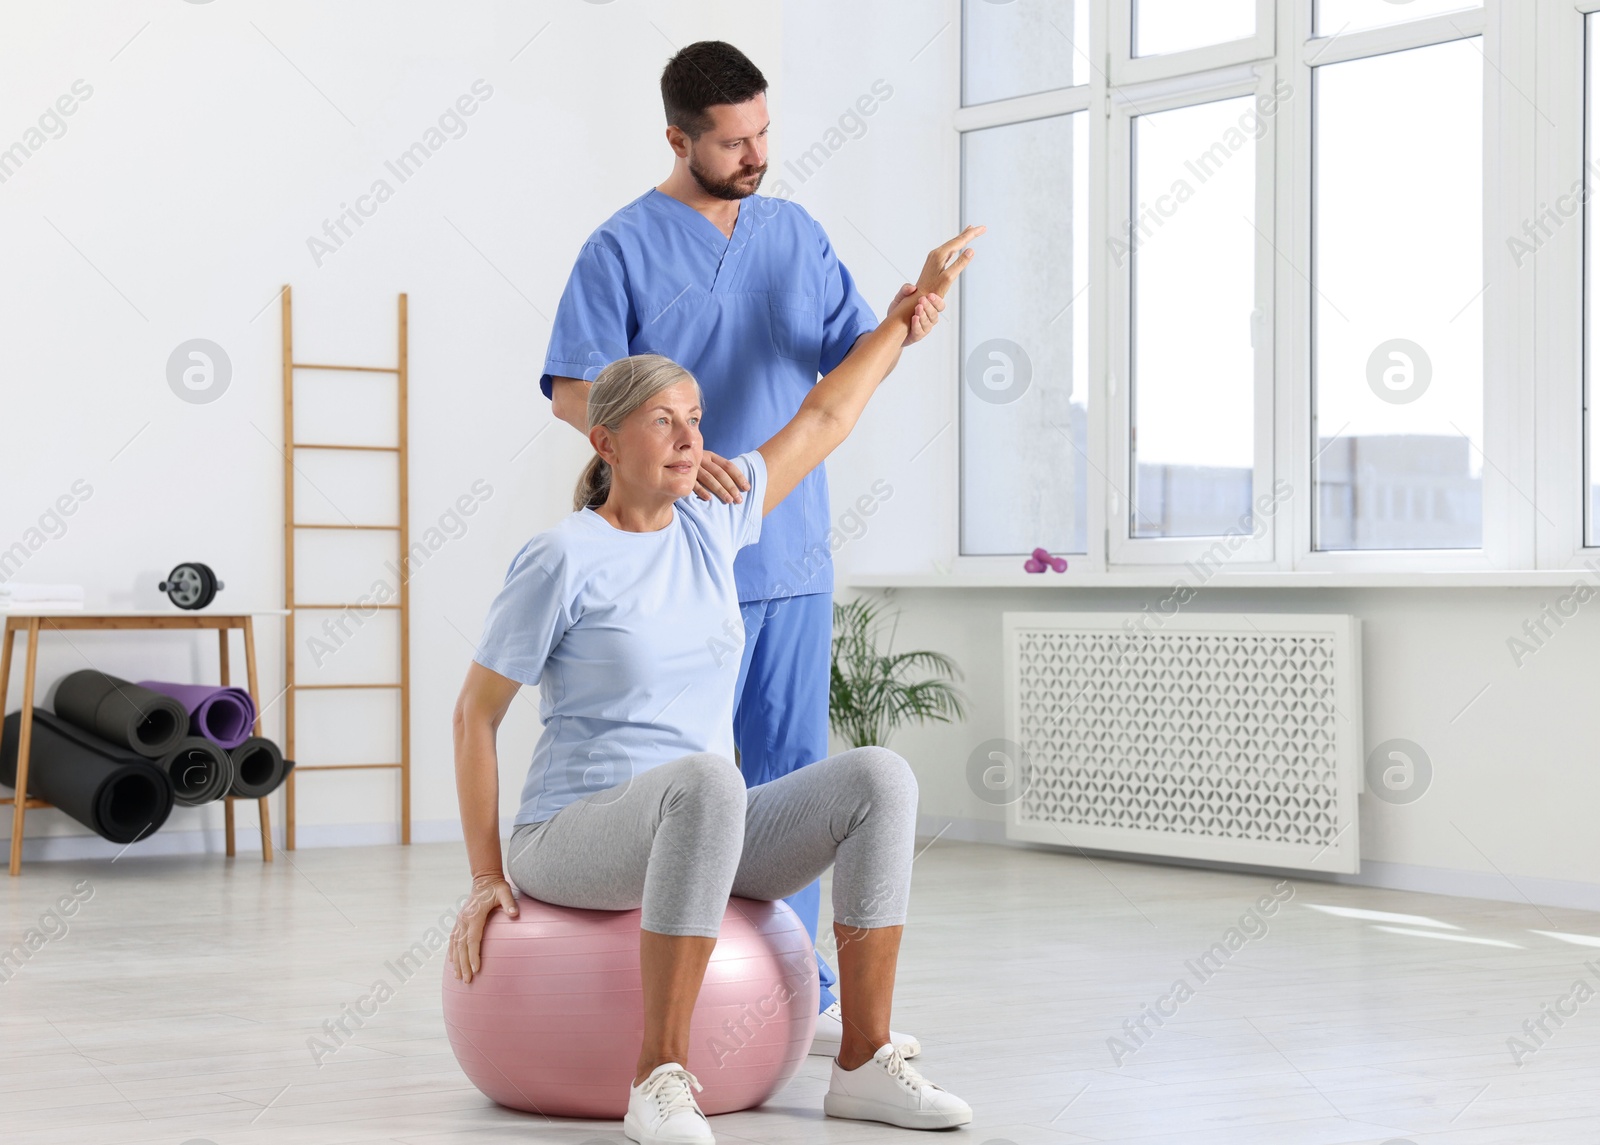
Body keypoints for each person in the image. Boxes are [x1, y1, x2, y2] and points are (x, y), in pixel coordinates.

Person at [449, 224, 984, 1145]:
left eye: (697, 419)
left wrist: (902, 319)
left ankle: (863, 1061)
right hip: (576, 832)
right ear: (607, 439)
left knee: (878, 779)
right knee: (708, 778)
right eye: (668, 421)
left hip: (701, 824)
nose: (693, 438)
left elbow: (823, 417)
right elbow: (475, 715)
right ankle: (659, 1077)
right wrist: (487, 874)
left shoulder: (713, 527)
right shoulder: (560, 557)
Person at [538, 41, 938, 1054]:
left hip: (787, 555)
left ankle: (799, 997)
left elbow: (844, 371)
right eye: (732, 141)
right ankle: (685, 996)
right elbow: (576, 390)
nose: (756, 154)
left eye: (763, 131)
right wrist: (680, 451)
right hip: (677, 561)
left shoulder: (794, 234)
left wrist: (903, 320)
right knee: (693, 785)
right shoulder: (619, 248)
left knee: (795, 773)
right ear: (678, 139)